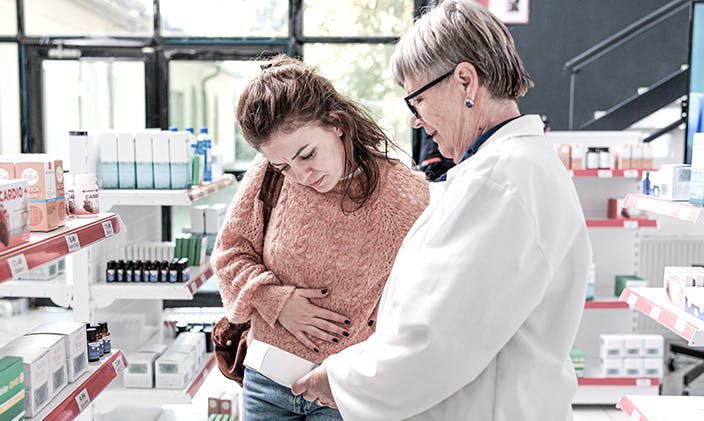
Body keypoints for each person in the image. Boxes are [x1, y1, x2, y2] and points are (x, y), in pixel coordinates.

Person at [291, 1, 592, 420]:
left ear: (465, 82)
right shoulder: (503, 169)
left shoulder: (502, 181)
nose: (415, 121)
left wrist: (340, 378)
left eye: (417, 100)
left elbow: (439, 343)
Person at [211, 55, 429, 420]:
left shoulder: (404, 195)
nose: (300, 175)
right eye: (284, 166)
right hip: (265, 383)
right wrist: (276, 301)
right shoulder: (269, 174)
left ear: (336, 124)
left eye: (307, 154)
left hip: (344, 392)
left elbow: (421, 300)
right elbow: (229, 253)